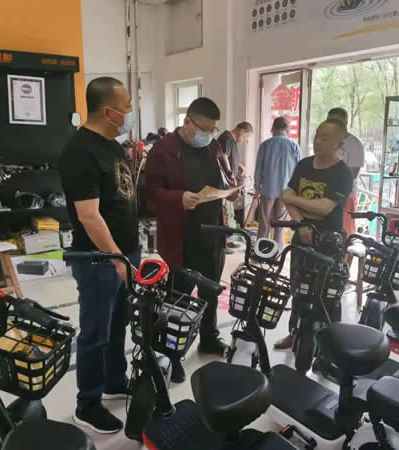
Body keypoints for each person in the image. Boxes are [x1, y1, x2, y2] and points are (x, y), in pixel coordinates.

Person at [60, 77, 140, 434]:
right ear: (108, 112)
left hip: (124, 253)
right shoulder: (80, 151)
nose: (130, 113)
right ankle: (87, 404)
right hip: (98, 259)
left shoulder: (113, 146)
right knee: (95, 331)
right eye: (126, 107)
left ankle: (113, 380)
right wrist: (117, 259)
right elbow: (89, 216)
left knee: (119, 321)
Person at [143, 97, 234, 383]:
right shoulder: (163, 150)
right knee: (178, 298)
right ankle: (172, 352)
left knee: (209, 291)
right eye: (204, 129)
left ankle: (209, 338)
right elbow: (149, 193)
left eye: (213, 129)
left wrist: (232, 189)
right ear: (187, 122)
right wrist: (178, 198)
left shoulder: (213, 147)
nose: (208, 134)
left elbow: (224, 177)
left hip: (212, 233)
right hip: (181, 236)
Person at [274, 119, 353, 349]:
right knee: (298, 286)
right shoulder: (304, 165)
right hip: (302, 235)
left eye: (325, 137)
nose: (318, 140)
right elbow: (285, 196)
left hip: (329, 240)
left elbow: (324, 208)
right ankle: (295, 332)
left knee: (328, 292)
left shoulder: (342, 173)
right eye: (317, 134)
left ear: (339, 144)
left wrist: (294, 199)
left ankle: (329, 343)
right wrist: (301, 223)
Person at [254, 117, 301, 246]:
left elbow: (258, 169)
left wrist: (257, 188)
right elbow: (298, 171)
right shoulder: (294, 146)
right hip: (286, 192)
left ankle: (261, 250)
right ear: (287, 129)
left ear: (273, 128)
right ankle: (277, 252)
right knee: (280, 225)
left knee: (264, 223)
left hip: (268, 189)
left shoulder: (265, 145)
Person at [327, 107, 364, 237]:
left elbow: (353, 174)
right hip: (325, 195)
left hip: (345, 196)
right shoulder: (326, 141)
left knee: (344, 234)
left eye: (337, 121)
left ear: (346, 123)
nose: (333, 125)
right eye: (330, 121)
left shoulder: (355, 144)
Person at [217, 122, 254, 252]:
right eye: (246, 137)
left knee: (229, 213)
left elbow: (229, 159)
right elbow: (223, 158)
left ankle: (227, 239)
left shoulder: (231, 140)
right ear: (241, 131)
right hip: (225, 184)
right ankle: (223, 243)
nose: (245, 140)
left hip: (229, 184)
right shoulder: (226, 138)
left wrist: (238, 166)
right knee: (225, 213)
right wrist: (231, 178)